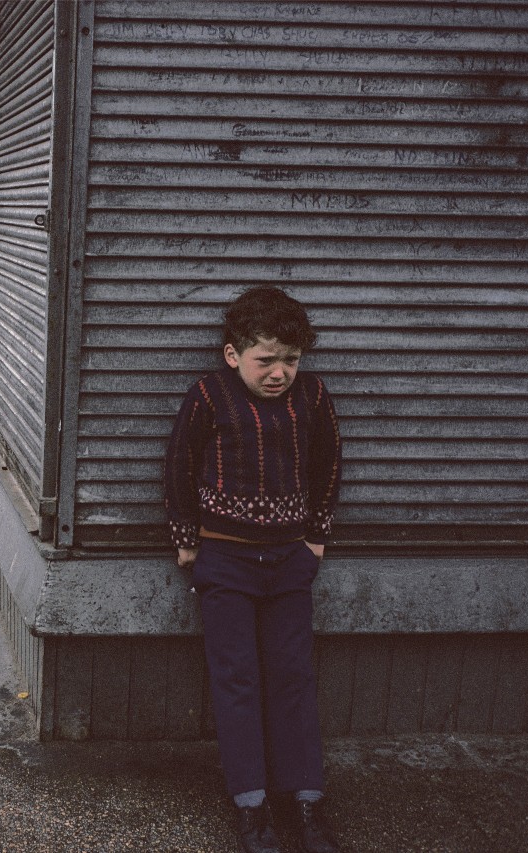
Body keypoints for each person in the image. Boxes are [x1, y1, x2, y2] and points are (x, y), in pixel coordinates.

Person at [164, 286, 342, 853]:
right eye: (266, 360)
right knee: (236, 678)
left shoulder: (312, 398)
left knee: (293, 677)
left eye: (290, 359)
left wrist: (315, 538)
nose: (279, 373)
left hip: (289, 560)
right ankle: (253, 807)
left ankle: (307, 802)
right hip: (225, 561)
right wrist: (188, 541)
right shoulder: (208, 397)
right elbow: (179, 466)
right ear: (232, 354)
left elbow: (329, 463)